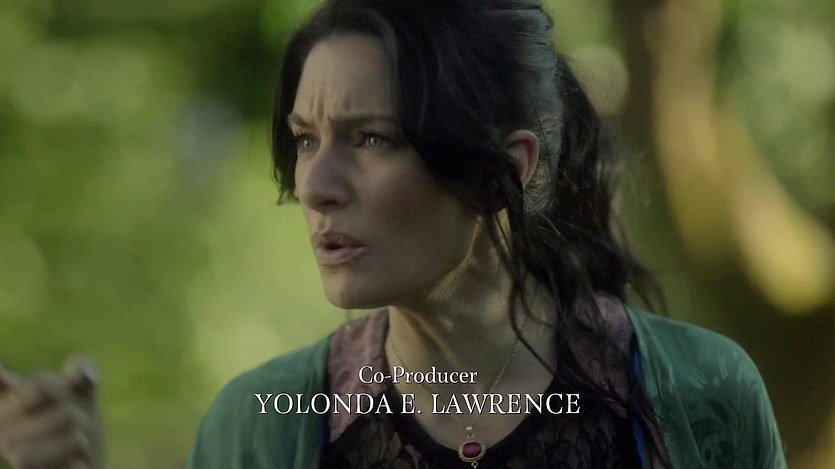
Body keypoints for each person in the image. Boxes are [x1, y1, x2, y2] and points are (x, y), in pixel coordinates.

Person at [0, 0, 786, 468]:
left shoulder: (700, 396)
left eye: (370, 137)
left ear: (504, 168)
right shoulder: (261, 426)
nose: (314, 185)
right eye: (304, 139)